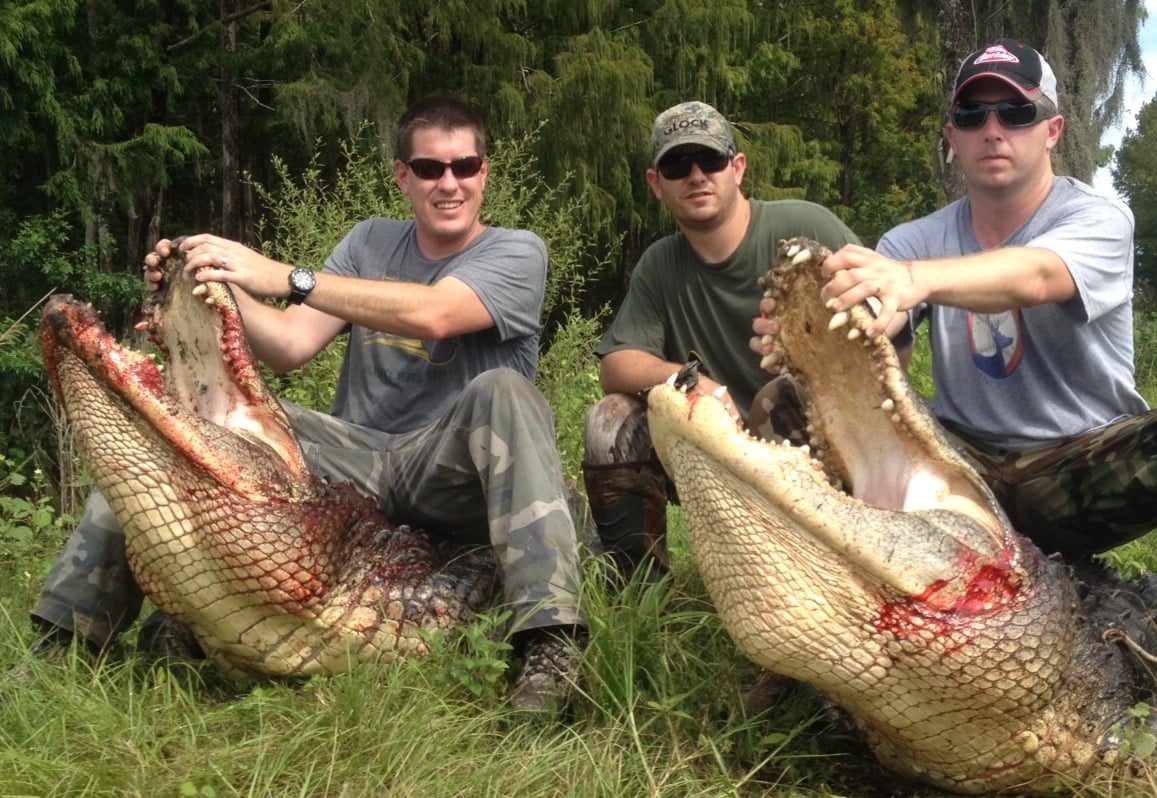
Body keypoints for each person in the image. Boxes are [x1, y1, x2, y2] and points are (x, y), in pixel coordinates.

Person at [28, 96, 586, 712]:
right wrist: (217, 283)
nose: (447, 183)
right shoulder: (370, 241)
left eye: (463, 166)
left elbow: (438, 313)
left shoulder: (517, 251)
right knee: (168, 434)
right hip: (361, 458)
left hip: (450, 467)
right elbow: (292, 345)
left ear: (484, 171)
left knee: (504, 391)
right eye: (429, 169)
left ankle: (551, 640)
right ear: (404, 176)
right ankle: (65, 635)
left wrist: (289, 277)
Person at [756, 39, 1151, 560]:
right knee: (781, 402)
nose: (992, 130)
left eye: (1015, 112)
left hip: (1078, 471)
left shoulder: (1098, 219)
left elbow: (1036, 276)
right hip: (960, 470)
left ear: (1052, 130)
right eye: (971, 115)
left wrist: (915, 279)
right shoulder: (910, 240)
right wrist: (818, 338)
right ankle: (834, 583)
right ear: (952, 137)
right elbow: (885, 339)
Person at [583, 101, 861, 582]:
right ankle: (640, 590)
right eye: (677, 165)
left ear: (737, 169)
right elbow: (617, 365)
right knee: (610, 422)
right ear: (656, 184)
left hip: (820, 437)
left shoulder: (805, 227)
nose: (696, 176)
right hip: (717, 443)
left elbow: (884, 319)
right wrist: (690, 382)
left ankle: (818, 577)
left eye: (710, 161)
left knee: (782, 398)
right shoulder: (660, 264)